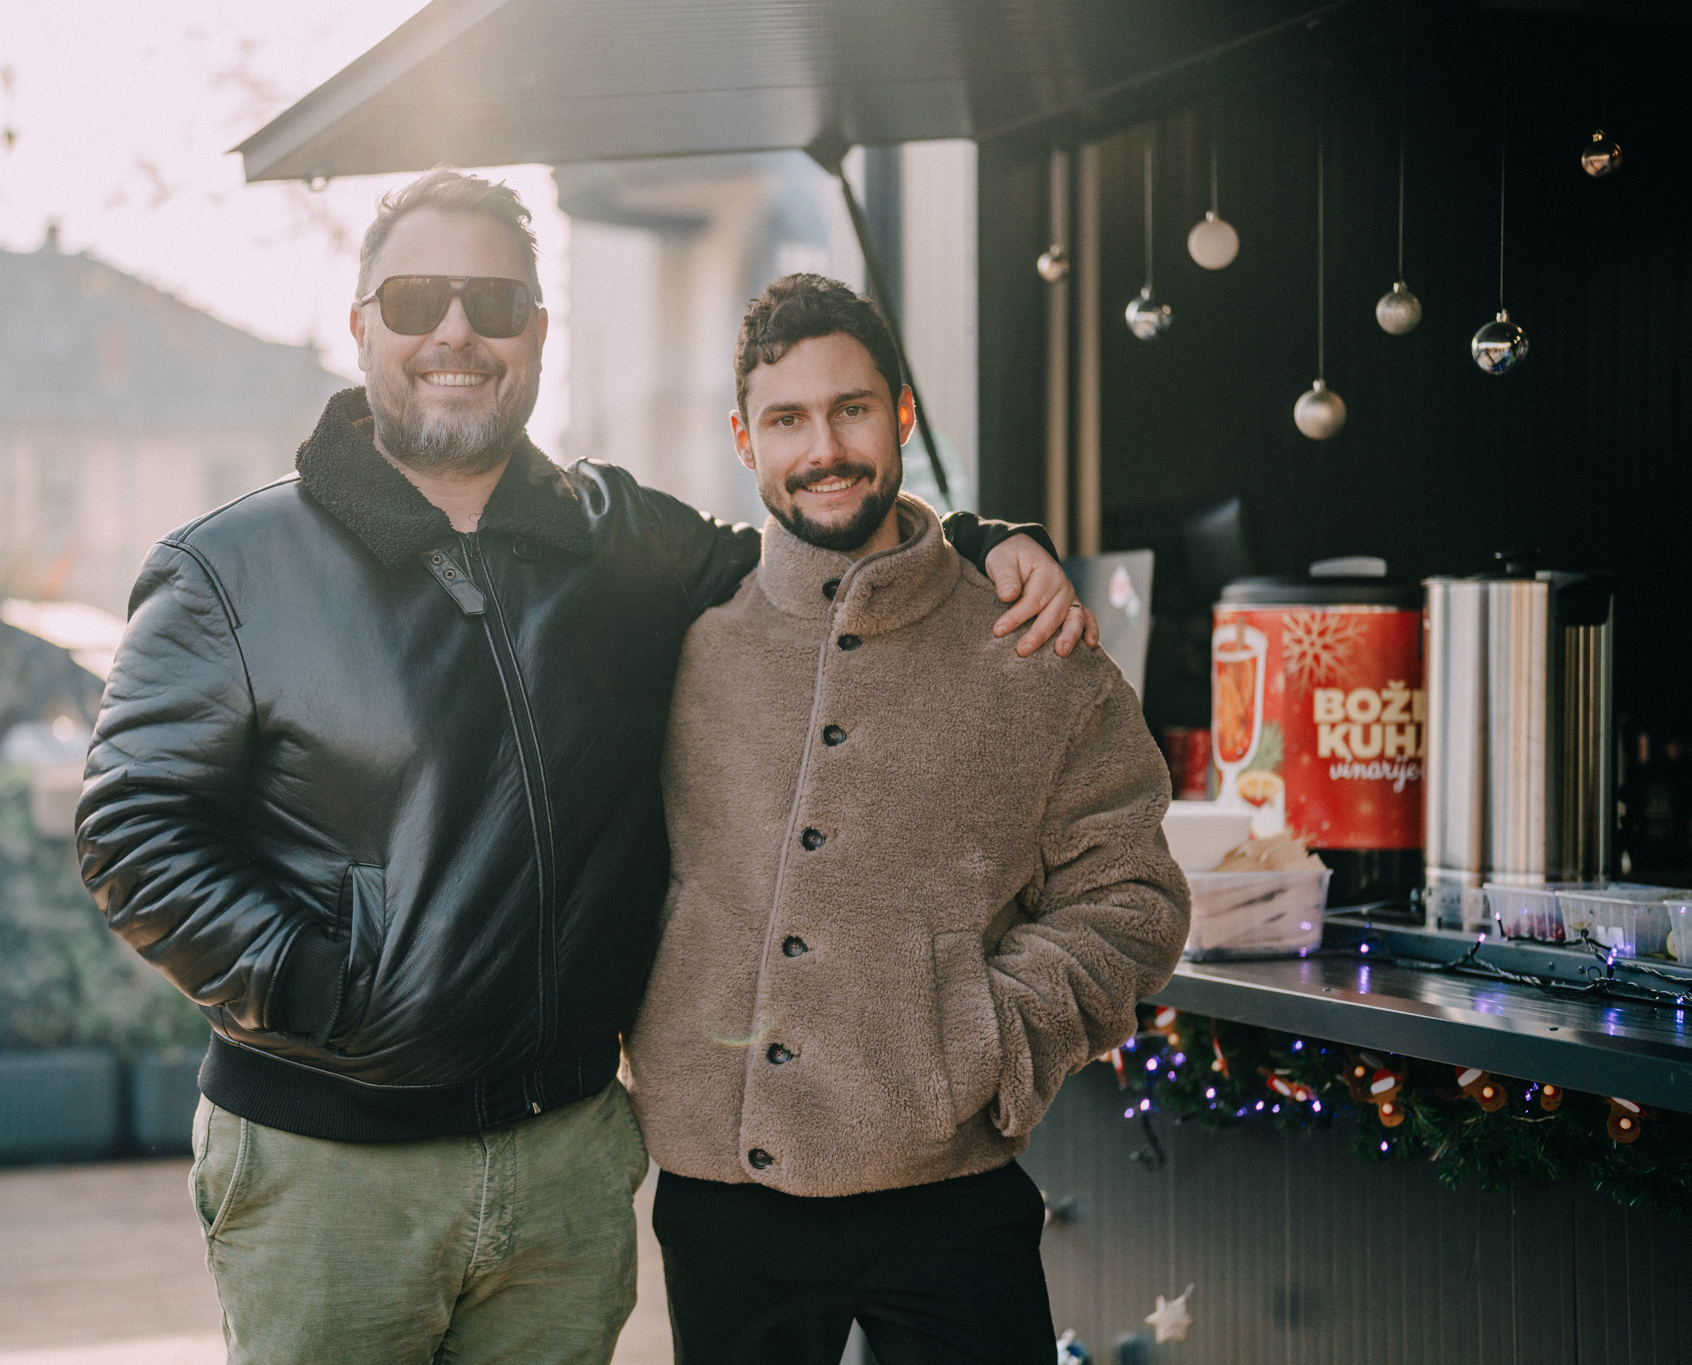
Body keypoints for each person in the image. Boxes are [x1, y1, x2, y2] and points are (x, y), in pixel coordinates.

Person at [76, 172, 1090, 1364]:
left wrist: (980, 536)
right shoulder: (227, 572)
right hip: (332, 1171)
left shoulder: (622, 541)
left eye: (492, 301)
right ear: (360, 328)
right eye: (416, 299)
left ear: (536, 334)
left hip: (565, 1167)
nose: (456, 330)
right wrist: (321, 990)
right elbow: (132, 833)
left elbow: (819, 554)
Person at [624, 274, 1190, 1365]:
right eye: (787, 419)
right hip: (721, 1188)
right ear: (745, 439)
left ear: (901, 414)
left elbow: (1131, 896)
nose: (822, 446)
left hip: (951, 1190)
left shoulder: (1031, 645)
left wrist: (982, 1042)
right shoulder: (684, 644)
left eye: (850, 409)